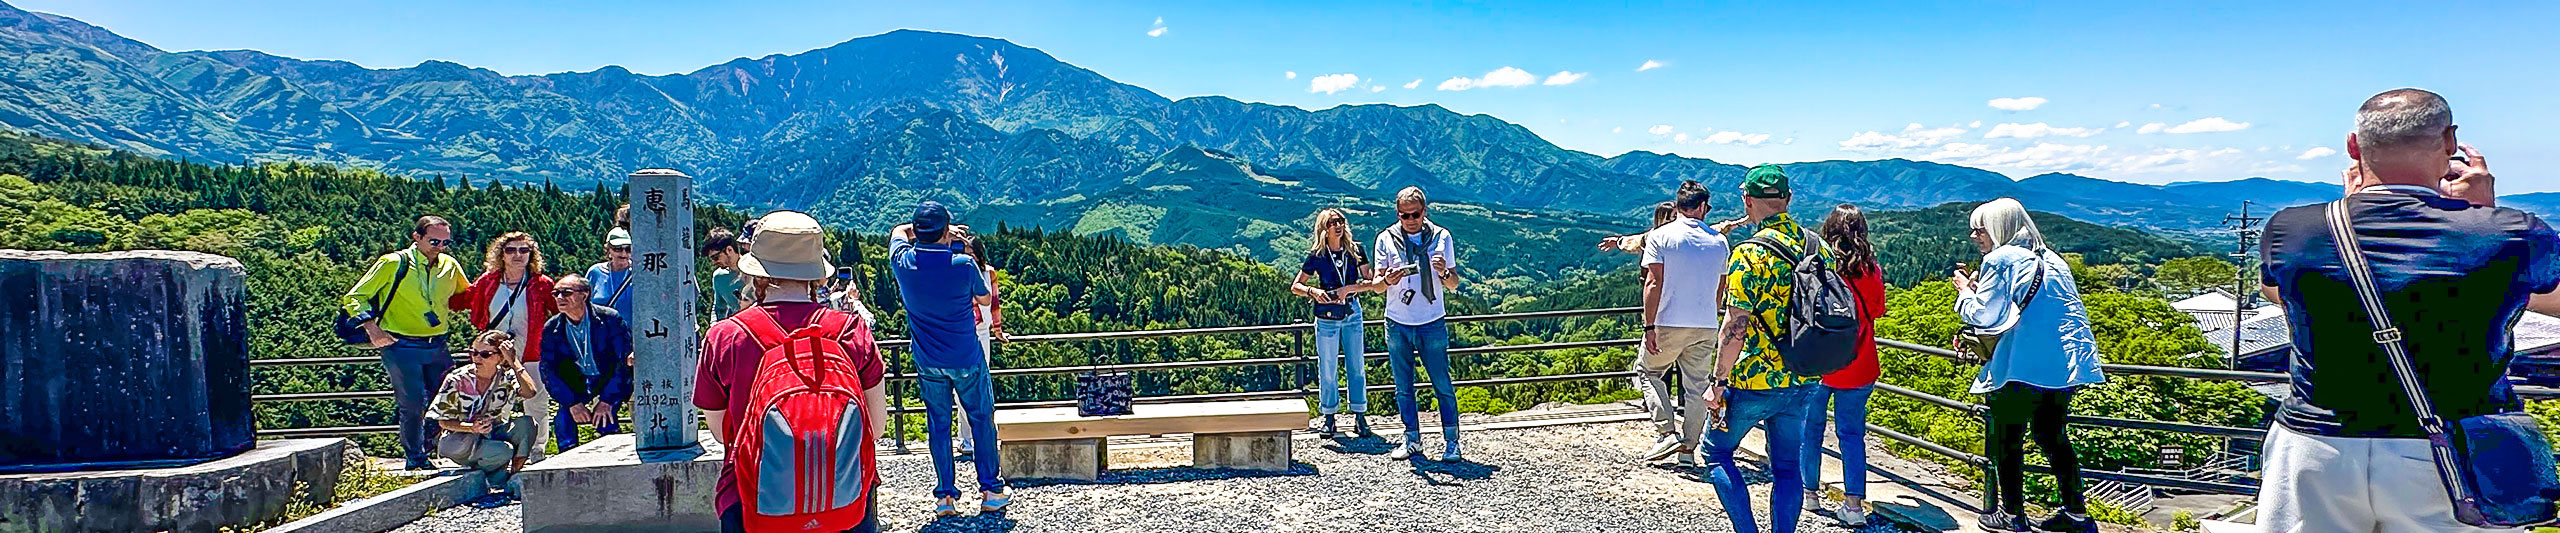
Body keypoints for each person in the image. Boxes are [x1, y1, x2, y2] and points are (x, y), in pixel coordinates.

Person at [2254, 88, 2560, 533]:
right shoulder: (2512, 234)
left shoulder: (2293, 228)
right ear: (2450, 142)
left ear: (2353, 147)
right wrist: (2479, 214)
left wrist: (2347, 213)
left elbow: (2278, 295)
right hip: (2455, 453)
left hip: (2316, 446)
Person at [696, 211, 888, 533]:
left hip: (752, 499)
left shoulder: (726, 336)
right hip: (844, 498)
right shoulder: (851, 331)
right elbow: (877, 426)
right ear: (818, 276)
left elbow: (720, 432)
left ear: (757, 274)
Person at [1952, 198, 2105, 533]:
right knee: (2053, 437)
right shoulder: (2053, 259)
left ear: (1999, 228)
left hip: (2021, 364)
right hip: (2065, 365)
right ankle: (2076, 514)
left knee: (2007, 439)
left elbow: (1983, 315)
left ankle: (2011, 515)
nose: (1975, 236)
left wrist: (1965, 292)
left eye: (1981, 228)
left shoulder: (2001, 257)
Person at [1703, 165, 1822, 533]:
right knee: (1787, 467)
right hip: (1804, 372)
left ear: (1747, 201)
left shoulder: (1749, 254)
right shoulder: (1818, 246)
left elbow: (1735, 327)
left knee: (1717, 452)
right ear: (1787, 199)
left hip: (1754, 378)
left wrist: (1717, 381)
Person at [889, 201, 1010, 515]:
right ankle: (990, 491)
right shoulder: (963, 265)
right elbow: (984, 297)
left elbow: (897, 231)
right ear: (945, 232)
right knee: (981, 420)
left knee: (939, 426)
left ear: (918, 232)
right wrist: (958, 244)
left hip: (928, 360)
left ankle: (945, 498)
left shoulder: (904, 263)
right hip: (966, 357)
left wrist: (933, 233)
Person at [341, 215, 472, 470]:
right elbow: (355, 297)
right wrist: (372, 329)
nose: (440, 247)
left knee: (446, 399)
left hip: (437, 343)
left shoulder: (449, 265)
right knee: (411, 403)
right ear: (417, 237)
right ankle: (416, 459)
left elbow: (467, 296)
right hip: (400, 344)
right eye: (434, 240)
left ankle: (434, 450)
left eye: (447, 242)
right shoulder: (393, 263)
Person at [1633, 182, 1732, 467]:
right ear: (1702, 207)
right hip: (1705, 324)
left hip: (1668, 321)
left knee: (1648, 371)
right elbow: (1719, 288)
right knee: (1698, 386)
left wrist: (1649, 325)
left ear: (1678, 207)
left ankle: (1666, 433)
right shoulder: (1719, 242)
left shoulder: (1661, 237)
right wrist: (1711, 320)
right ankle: (1688, 450)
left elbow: (1653, 282)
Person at [1802, 204, 1886, 526]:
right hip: (1860, 362)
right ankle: (1853, 506)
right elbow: (1877, 311)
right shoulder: (1871, 271)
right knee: (1852, 434)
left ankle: (1809, 494)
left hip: (1818, 364)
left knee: (1810, 431)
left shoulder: (1819, 266)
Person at [1372, 186, 1464, 462]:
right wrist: (1389, 279)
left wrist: (1443, 271)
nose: (1409, 220)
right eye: (1403, 215)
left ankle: (1452, 442)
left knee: (1442, 383)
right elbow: (1376, 286)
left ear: (1424, 212)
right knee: (1403, 385)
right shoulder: (1385, 239)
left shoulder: (1441, 237)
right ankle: (1411, 437)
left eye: (1414, 214)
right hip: (1398, 321)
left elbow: (1454, 283)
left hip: (1431, 320)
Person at [452, 232, 557, 460]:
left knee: (536, 400)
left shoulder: (541, 284)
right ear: (501, 254)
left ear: (532, 255)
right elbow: (462, 300)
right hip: (494, 353)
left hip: (532, 351)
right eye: (511, 250)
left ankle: (536, 449)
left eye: (523, 250)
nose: (517, 255)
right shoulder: (488, 282)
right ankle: (500, 449)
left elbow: (558, 313)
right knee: (496, 401)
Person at [1291, 208, 1381, 439]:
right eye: (1332, 222)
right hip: (1327, 316)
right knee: (1328, 368)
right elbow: (1296, 286)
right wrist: (1314, 291)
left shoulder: (1356, 250)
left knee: (1357, 366)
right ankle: (1329, 416)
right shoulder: (1317, 255)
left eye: (1340, 221)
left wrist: (1348, 289)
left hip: (1352, 311)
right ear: (1324, 227)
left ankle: (1360, 415)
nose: (1338, 225)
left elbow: (1370, 282)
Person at [427, 330, 542, 506]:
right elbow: (443, 421)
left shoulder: (505, 376)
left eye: (484, 354)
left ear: (500, 358)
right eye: (472, 352)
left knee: (527, 424)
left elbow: (530, 392)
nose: (476, 358)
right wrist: (471, 427)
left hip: (492, 431)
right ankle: (495, 476)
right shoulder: (457, 379)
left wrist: (514, 362)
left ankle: (514, 474)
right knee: (503, 450)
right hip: (461, 437)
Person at [540, 274, 633, 452]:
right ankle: (567, 464)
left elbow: (622, 364)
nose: (559, 298)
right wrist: (573, 403)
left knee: (606, 420)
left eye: (566, 293)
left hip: (607, 379)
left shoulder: (609, 319)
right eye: (556, 293)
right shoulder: (552, 328)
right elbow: (549, 371)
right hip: (577, 383)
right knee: (563, 421)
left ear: (585, 294)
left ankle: (614, 462)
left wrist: (607, 400)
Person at [954, 236, 1007, 459]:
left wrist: (998, 330)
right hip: (960, 334)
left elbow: (994, 302)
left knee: (979, 385)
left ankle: (973, 437)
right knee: (961, 388)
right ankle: (966, 438)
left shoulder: (988, 273)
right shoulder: (956, 270)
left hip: (982, 331)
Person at [587, 228, 637, 321]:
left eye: (628, 249)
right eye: (618, 249)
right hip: (603, 333)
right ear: (608, 250)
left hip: (631, 333)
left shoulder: (639, 273)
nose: (623, 253)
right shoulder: (594, 272)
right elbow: (585, 305)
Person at [703, 228, 748, 320]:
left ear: (729, 250)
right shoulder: (719, 277)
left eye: (715, 257)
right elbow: (719, 308)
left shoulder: (755, 270)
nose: (713, 263)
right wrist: (714, 327)